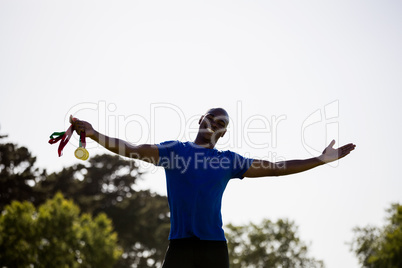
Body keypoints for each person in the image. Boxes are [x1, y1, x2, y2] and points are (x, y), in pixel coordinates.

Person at [70, 108, 356, 268]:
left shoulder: (228, 161)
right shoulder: (174, 151)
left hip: (214, 249)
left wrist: (319, 160)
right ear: (200, 119)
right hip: (179, 247)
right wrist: (94, 134)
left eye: (221, 123)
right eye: (211, 118)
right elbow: (132, 149)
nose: (214, 124)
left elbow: (275, 168)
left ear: (223, 132)